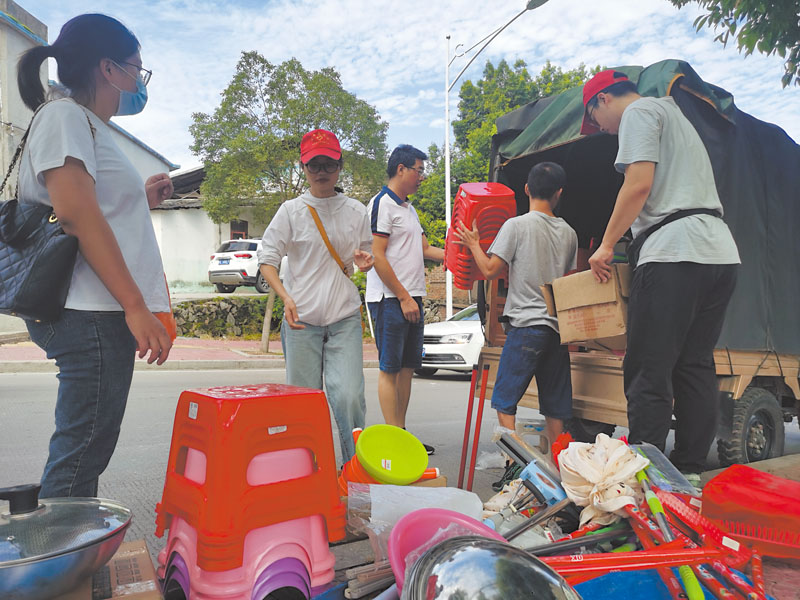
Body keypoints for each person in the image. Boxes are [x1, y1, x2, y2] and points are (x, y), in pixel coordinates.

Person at [16, 14, 174, 498]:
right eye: (136, 71)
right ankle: (59, 569)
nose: (138, 83)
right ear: (109, 69)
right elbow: (76, 215)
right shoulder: (64, 117)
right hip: (90, 310)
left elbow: (94, 207)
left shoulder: (88, 126)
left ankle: (64, 563)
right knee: (81, 453)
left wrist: (139, 198)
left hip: (97, 309)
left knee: (87, 447)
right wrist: (135, 306)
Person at [582, 69, 740, 482]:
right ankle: (687, 472)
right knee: (694, 366)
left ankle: (645, 477)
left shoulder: (638, 113)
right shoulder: (678, 119)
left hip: (672, 252)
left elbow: (638, 184)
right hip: (720, 253)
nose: (601, 128)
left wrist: (605, 246)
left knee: (649, 368)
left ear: (601, 100)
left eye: (595, 120)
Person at [258, 129, 373, 464]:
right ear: (303, 167)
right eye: (314, 165)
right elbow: (267, 260)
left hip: (343, 319)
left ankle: (354, 473)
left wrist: (365, 263)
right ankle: (306, 471)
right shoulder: (291, 211)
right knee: (302, 403)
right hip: (301, 323)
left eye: (329, 163)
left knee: (349, 396)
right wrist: (285, 297)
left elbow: (364, 258)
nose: (322, 171)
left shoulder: (356, 211)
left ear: (340, 165)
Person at [455, 162, 578, 449]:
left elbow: (489, 269)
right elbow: (569, 282)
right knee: (555, 405)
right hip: (557, 329)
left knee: (505, 400)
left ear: (526, 189)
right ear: (559, 193)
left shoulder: (516, 225)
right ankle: (559, 466)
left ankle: (515, 463)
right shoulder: (569, 233)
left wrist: (474, 243)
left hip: (525, 327)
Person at [365, 145, 444, 454]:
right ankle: (393, 437)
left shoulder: (408, 209)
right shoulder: (381, 204)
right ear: (401, 169)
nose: (421, 177)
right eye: (419, 170)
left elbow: (426, 250)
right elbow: (377, 255)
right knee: (390, 368)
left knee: (408, 368)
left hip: (414, 297)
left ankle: (402, 434)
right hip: (389, 299)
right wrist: (402, 297)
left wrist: (462, 255)